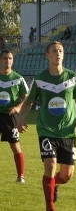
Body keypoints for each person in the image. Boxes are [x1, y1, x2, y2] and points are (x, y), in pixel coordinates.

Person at [16, 41, 76, 211]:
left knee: (66, 175)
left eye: (60, 51)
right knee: (50, 164)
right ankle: (50, 206)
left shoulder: (73, 78)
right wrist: (20, 119)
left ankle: (54, 183)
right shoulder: (40, 80)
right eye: (54, 51)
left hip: (68, 131)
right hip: (46, 129)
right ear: (47, 55)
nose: (58, 53)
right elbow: (28, 103)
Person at [0, 49, 29, 183]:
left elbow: (26, 97)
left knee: (15, 146)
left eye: (10, 58)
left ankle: (20, 176)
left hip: (10, 116)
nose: (8, 61)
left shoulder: (18, 79)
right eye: (5, 58)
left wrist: (18, 107)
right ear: (0, 60)